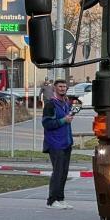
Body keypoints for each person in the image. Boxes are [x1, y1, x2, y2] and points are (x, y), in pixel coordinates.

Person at [42, 78, 74, 209]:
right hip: (55, 143)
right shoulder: (51, 104)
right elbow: (46, 123)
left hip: (66, 143)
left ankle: (60, 198)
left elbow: (67, 119)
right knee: (58, 172)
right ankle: (52, 200)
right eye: (60, 86)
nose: (62, 88)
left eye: (64, 87)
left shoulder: (66, 103)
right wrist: (63, 120)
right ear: (55, 88)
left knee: (64, 172)